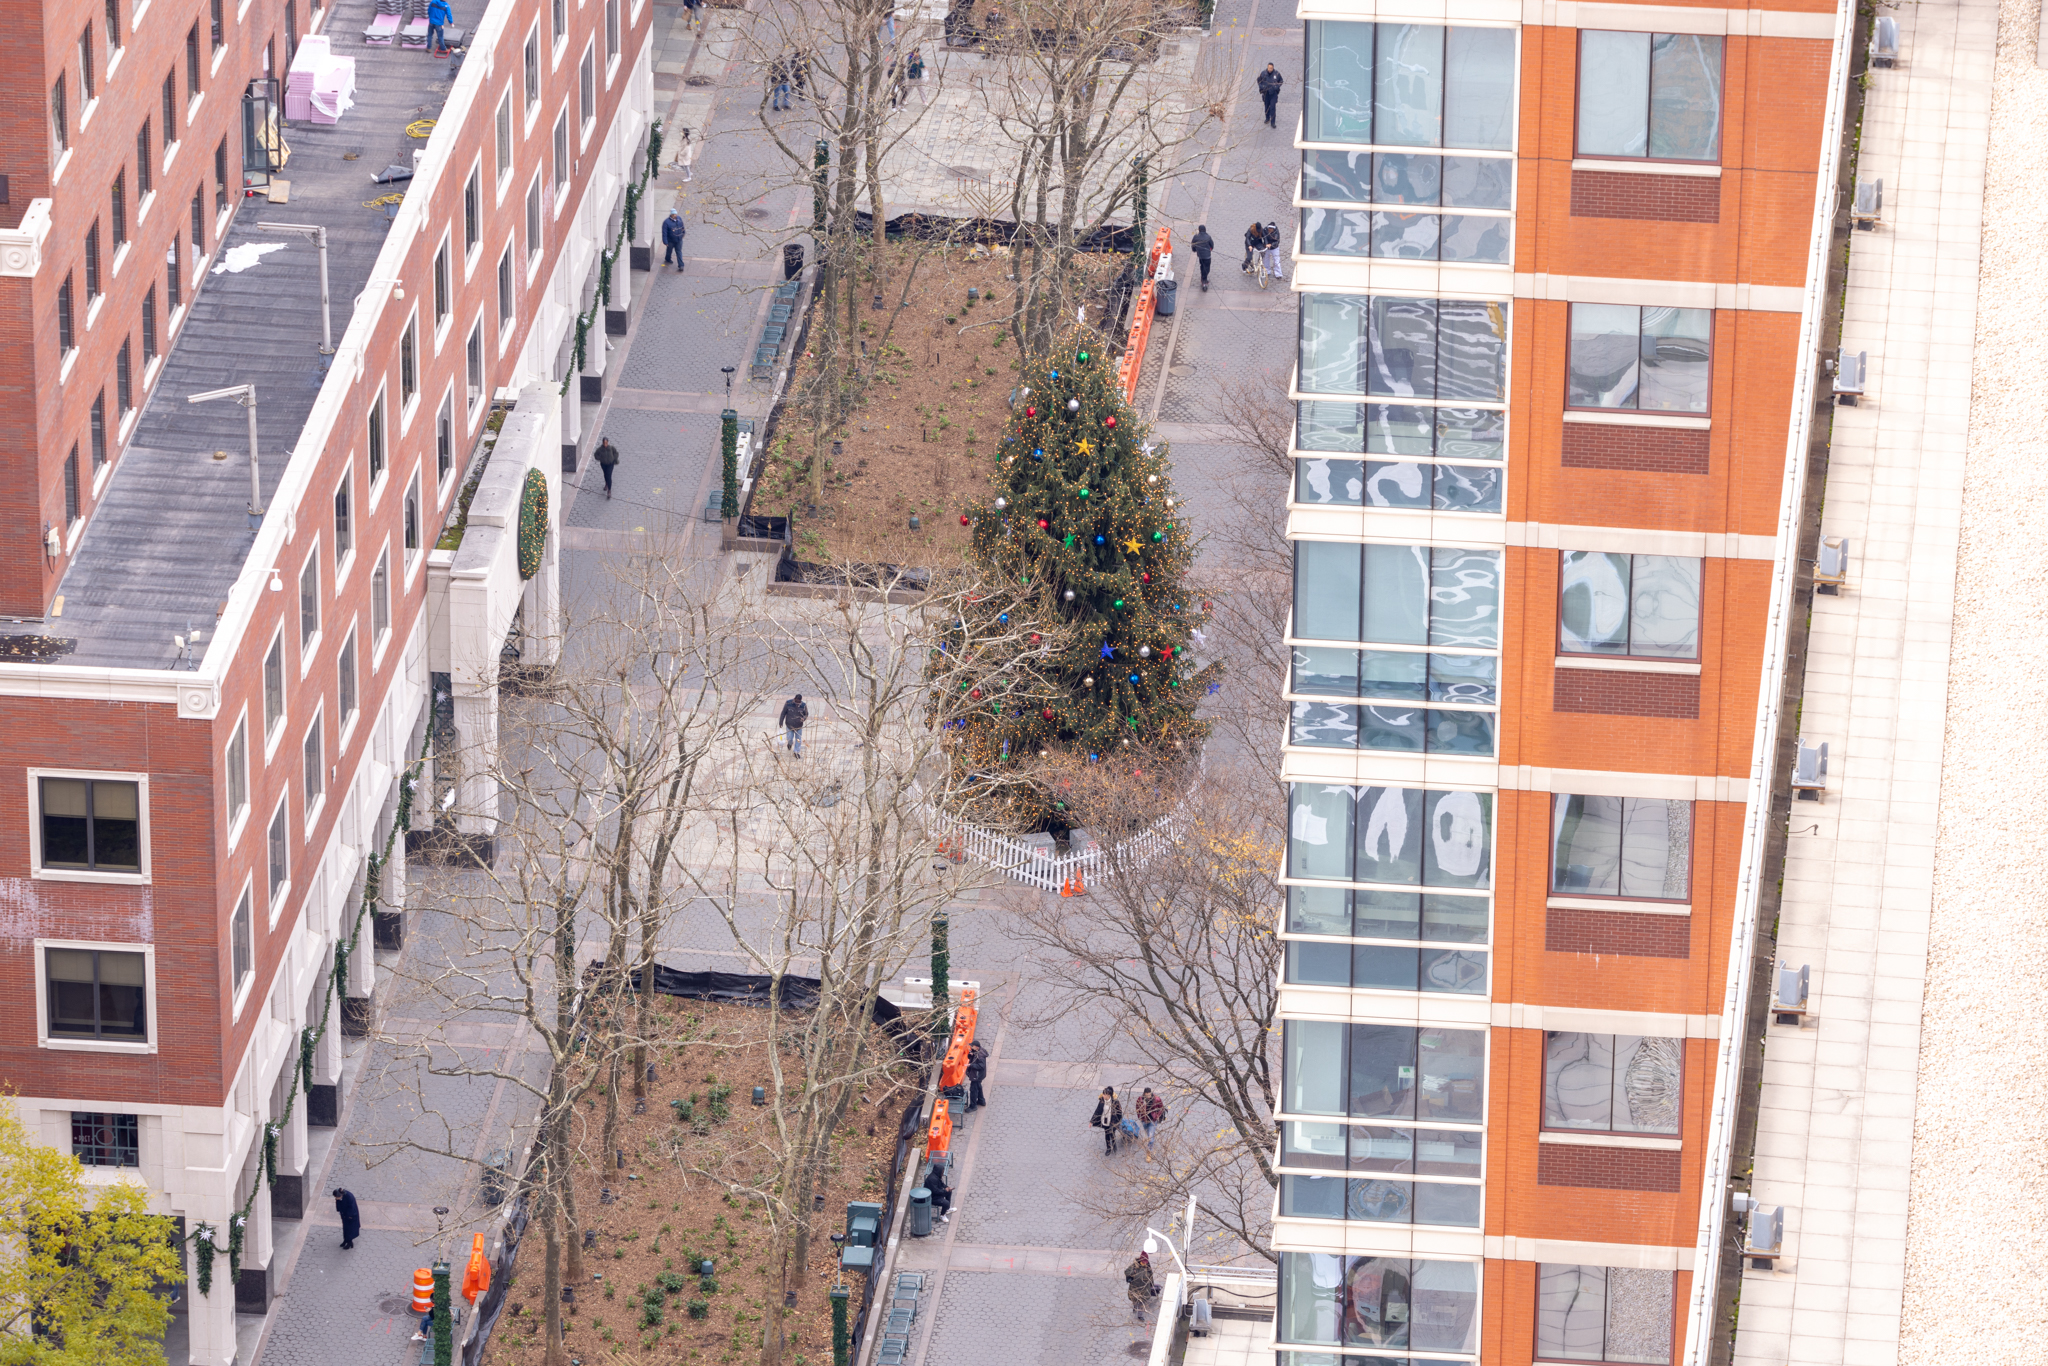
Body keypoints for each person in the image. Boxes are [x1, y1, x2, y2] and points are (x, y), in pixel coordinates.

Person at [1090, 1086, 1123, 1156]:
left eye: (1104, 1094)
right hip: (1104, 1120)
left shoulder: (1115, 1102)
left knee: (1112, 1134)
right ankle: (1108, 1148)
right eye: (1103, 1094)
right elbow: (1097, 1110)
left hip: (1112, 1122)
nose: (1103, 1095)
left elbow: (1119, 1112)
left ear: (1109, 1095)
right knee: (1107, 1134)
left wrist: (1119, 1121)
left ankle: (1114, 1146)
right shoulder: (1102, 1101)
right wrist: (1091, 1121)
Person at [1124, 1251, 1155, 1322]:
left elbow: (1151, 1277)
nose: (1144, 1263)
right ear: (1140, 1260)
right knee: (1135, 1300)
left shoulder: (1148, 1267)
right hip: (1135, 1288)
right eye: (1143, 1262)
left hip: (1144, 1289)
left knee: (1141, 1303)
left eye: (1145, 1262)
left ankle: (1140, 1316)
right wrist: (1133, 1272)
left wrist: (1151, 1285)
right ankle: (1135, 1307)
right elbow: (1126, 1272)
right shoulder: (1134, 1266)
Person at [1135, 1088, 1166, 1159]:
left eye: (1149, 1095)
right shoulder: (1140, 1099)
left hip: (1153, 1121)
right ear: (1144, 1094)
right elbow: (1137, 1108)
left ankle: (1149, 1151)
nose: (1148, 1096)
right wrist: (1140, 1117)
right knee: (1148, 1133)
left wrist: (1157, 1116)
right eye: (1147, 1095)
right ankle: (1150, 1140)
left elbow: (1161, 1108)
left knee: (1151, 1138)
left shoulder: (1157, 1099)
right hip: (1144, 1120)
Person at [779, 693, 809, 757]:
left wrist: (803, 718)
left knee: (798, 739)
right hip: (789, 725)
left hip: (799, 726)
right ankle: (789, 744)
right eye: (797, 701)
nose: (798, 703)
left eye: (799, 701)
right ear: (794, 699)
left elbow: (806, 714)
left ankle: (796, 752)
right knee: (790, 738)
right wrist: (781, 722)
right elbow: (783, 713)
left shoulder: (803, 705)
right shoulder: (788, 703)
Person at [1256, 63, 1284, 128]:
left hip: (1273, 93)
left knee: (1272, 108)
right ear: (1267, 67)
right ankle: (1267, 118)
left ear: (1273, 68)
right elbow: (1258, 81)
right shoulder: (1263, 73)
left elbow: (1281, 81)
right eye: (1269, 68)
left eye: (1271, 68)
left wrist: (1276, 87)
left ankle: (1273, 122)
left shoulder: (1277, 74)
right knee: (1266, 107)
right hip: (1266, 93)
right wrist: (1262, 87)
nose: (1270, 69)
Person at [965, 1041, 989, 1111]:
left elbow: (981, 1066)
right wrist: (971, 1054)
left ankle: (973, 1106)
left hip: (976, 1075)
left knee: (973, 1090)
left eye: (972, 1046)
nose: (971, 1047)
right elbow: (972, 1058)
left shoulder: (980, 1055)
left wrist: (971, 1065)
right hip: (979, 1075)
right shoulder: (978, 1051)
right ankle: (981, 1101)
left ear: (977, 1047)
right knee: (978, 1086)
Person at [1190, 224, 1214, 290]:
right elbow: (1212, 245)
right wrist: (1210, 250)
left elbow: (1193, 245)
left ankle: (1203, 279)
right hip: (1207, 256)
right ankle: (1204, 280)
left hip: (1200, 256)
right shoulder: (1208, 237)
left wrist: (1195, 250)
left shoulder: (1196, 237)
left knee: (1202, 266)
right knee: (1207, 268)